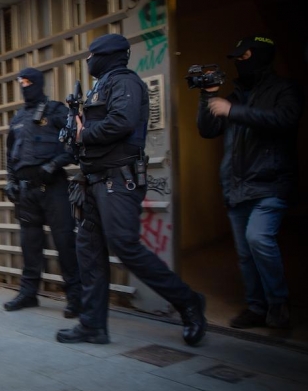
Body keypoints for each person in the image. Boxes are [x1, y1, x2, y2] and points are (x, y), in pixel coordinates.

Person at [56, 33, 206, 346]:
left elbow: (121, 123)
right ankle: (93, 325)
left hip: (118, 181)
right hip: (94, 181)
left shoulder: (125, 82)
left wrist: (84, 135)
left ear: (108, 55)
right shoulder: (103, 84)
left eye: (92, 55)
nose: (88, 61)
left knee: (125, 247)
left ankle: (188, 302)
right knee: (90, 253)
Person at [197, 35, 303, 329]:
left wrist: (234, 111)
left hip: (271, 182)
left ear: (260, 55)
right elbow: (207, 130)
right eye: (236, 60)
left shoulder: (285, 89)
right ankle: (257, 307)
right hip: (236, 186)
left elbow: (285, 119)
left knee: (259, 239)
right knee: (245, 253)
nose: (239, 64)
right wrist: (208, 95)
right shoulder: (235, 95)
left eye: (243, 58)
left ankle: (278, 305)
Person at [3, 68, 82, 317]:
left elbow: (74, 145)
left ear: (38, 83)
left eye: (28, 82)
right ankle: (28, 294)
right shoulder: (17, 119)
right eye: (21, 82)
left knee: (64, 243)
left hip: (54, 187)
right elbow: (10, 155)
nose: (24, 86)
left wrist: (53, 164)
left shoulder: (56, 110)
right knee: (30, 245)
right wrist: (10, 180)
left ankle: (76, 297)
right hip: (26, 192)